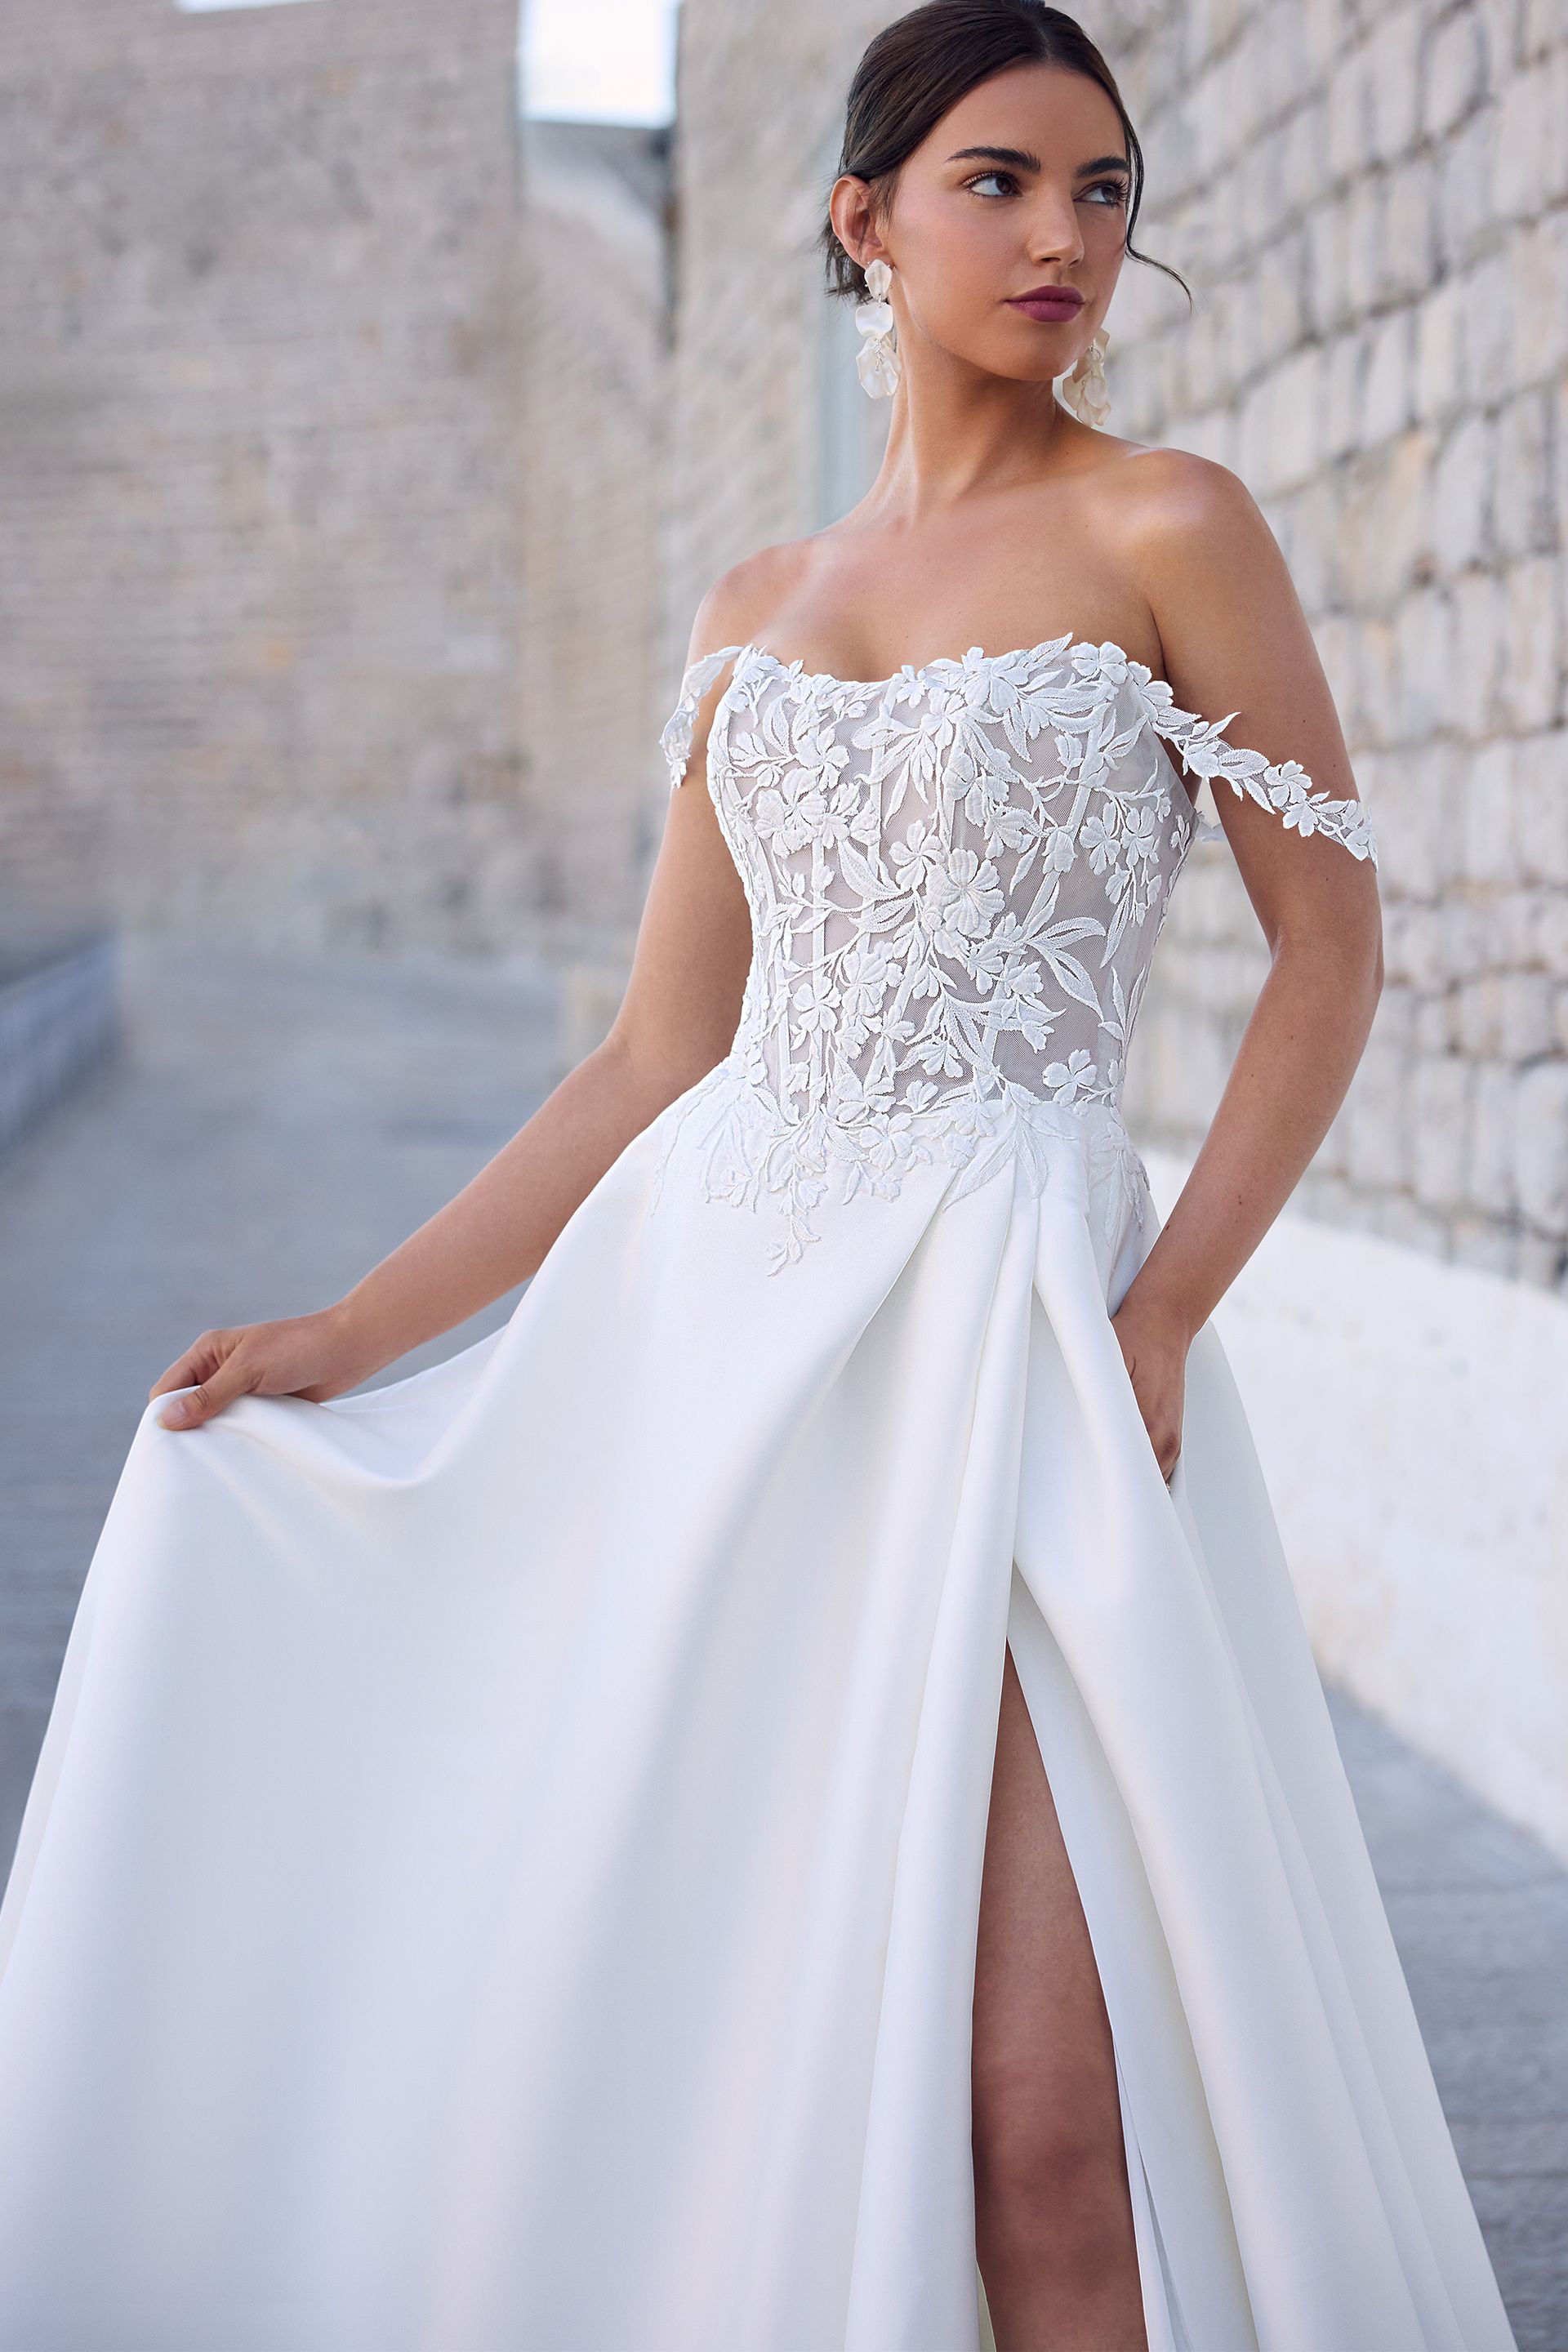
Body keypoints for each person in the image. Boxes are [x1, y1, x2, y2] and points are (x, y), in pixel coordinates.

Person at [0, 4, 1520, 2348]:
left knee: (1042, 2128)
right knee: (749, 2060)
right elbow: (651, 1055)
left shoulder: (1169, 523)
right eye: (999, 182)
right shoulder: (750, 605)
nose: (1063, 234)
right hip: (722, 1360)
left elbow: (1332, 953)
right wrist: (350, 1334)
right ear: (863, 219)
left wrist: (1162, 1313)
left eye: (1103, 190)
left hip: (1019, 1342)